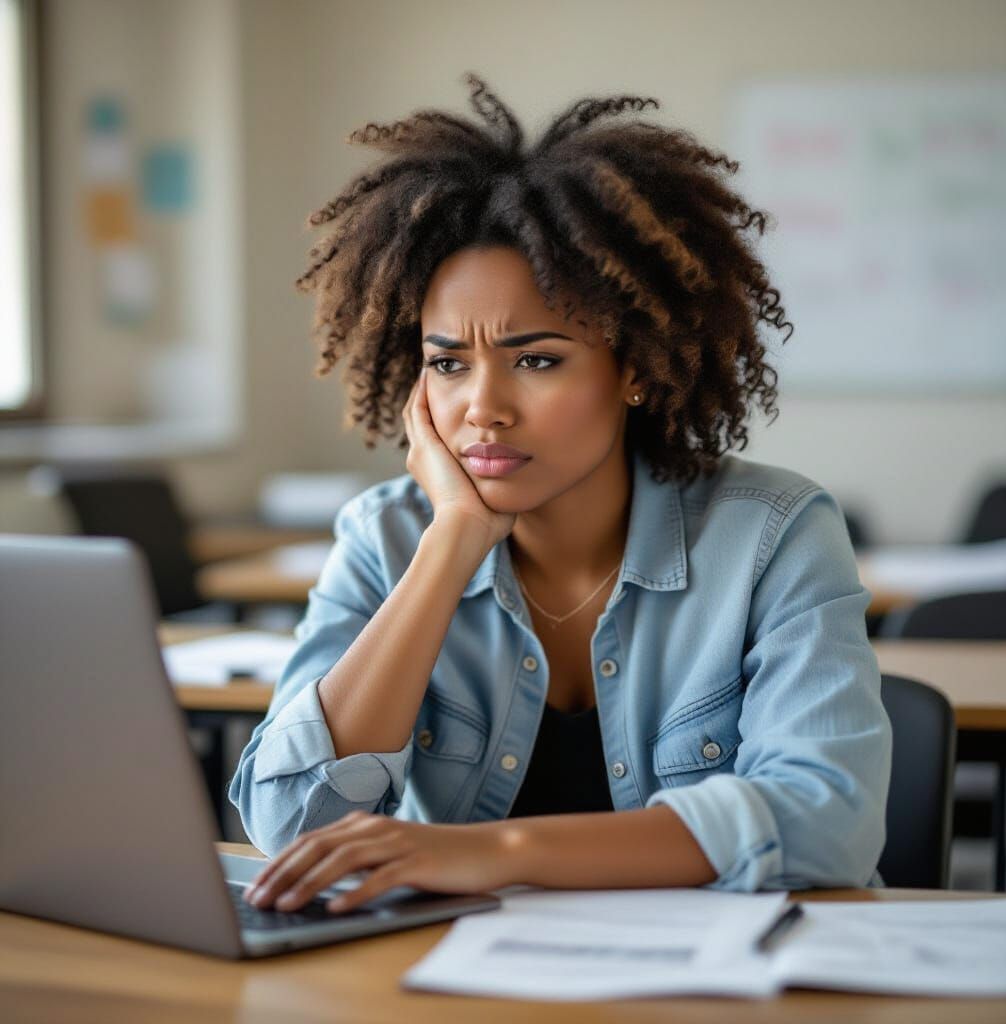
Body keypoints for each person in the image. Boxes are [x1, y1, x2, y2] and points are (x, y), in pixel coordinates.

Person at [230, 73, 891, 916]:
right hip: (454, 971)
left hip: (713, 970)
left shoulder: (774, 535)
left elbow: (829, 822)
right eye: (447, 363)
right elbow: (291, 826)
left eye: (536, 360)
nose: (483, 408)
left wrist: (496, 852)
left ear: (635, 369)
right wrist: (451, 543)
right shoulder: (385, 536)